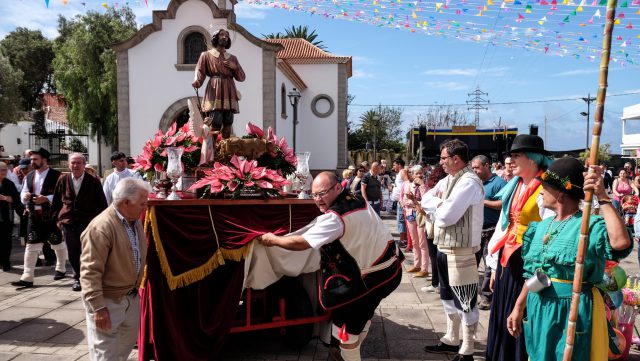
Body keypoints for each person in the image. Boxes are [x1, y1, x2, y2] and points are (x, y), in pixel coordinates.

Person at [257, 172, 402, 361]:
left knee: (349, 332)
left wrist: (272, 239)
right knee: (353, 317)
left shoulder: (335, 218)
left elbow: (302, 243)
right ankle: (341, 350)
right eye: (314, 194)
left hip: (371, 279)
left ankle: (348, 353)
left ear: (338, 188)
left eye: (322, 193)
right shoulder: (355, 197)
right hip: (390, 268)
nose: (317, 200)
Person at [507, 158, 632, 360]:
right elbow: (536, 276)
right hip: (540, 309)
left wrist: (603, 196)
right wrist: (519, 306)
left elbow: (620, 243)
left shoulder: (589, 226)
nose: (539, 191)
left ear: (561, 194)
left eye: (544, 187)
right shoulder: (541, 227)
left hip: (575, 310)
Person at [485, 134, 554, 361]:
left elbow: (552, 231)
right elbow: (504, 225)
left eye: (516, 155)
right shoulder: (514, 185)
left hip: (529, 263)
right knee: (502, 316)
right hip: (508, 259)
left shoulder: (548, 187)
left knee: (520, 319)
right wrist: (494, 266)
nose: (511, 160)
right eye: (510, 155)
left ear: (533, 159)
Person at [421, 139, 484, 361]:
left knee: (465, 300)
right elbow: (425, 197)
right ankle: (451, 338)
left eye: (444, 158)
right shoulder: (449, 179)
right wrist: (440, 205)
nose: (441, 162)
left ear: (456, 159)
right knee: (446, 295)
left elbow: (448, 216)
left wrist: (438, 206)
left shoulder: (469, 182)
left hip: (462, 250)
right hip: (444, 247)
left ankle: (467, 349)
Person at [80, 177, 150, 361]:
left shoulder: (133, 221)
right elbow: (89, 272)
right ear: (126, 202)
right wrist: (98, 307)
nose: (145, 208)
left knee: (121, 352)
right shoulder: (101, 227)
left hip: (130, 297)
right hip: (107, 301)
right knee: (105, 355)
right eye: (142, 203)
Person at [12, 148, 67, 289]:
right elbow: (23, 193)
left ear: (44, 160)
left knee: (57, 243)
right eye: (31, 160)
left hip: (51, 217)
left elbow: (63, 196)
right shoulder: (29, 176)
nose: (32, 162)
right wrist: (24, 197)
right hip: (33, 216)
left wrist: (46, 199)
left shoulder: (58, 176)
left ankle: (61, 268)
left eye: (35, 159)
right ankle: (27, 276)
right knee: (31, 245)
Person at [52, 153, 108, 292]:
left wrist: (101, 222)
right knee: (73, 252)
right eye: (73, 163)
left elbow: (101, 203)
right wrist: (57, 219)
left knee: (87, 252)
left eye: (78, 163)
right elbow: (56, 201)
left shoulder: (93, 181)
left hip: (87, 222)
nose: (75, 165)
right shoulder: (63, 179)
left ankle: (89, 277)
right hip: (68, 222)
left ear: (84, 165)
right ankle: (77, 278)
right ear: (68, 164)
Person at [192, 29, 246, 140]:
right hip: (214, 89)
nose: (224, 37)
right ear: (216, 37)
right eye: (222, 35)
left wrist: (235, 67)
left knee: (228, 121)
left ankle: (225, 151)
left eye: (226, 36)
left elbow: (241, 77)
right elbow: (200, 72)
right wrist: (197, 81)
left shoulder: (232, 58)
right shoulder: (206, 55)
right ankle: (213, 151)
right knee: (215, 121)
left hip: (229, 89)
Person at [470, 155, 507, 311]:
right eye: (472, 168)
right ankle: (470, 294)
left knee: (488, 265)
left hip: (491, 229)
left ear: (487, 166)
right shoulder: (474, 183)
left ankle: (487, 297)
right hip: (476, 229)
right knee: (472, 263)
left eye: (477, 167)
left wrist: (481, 201)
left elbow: (503, 204)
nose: (474, 170)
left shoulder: (499, 183)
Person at [420, 164, 447, 293]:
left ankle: (439, 284)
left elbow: (429, 208)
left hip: (438, 225)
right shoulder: (438, 187)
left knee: (438, 256)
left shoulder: (447, 185)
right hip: (431, 224)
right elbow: (425, 205)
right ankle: (436, 282)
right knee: (434, 255)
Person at [402, 165, 429, 277]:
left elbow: (426, 199)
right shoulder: (410, 186)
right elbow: (405, 200)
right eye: (416, 173)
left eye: (420, 173)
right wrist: (409, 203)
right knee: (414, 242)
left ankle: (424, 268)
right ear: (412, 175)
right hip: (410, 214)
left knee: (423, 242)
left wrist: (422, 185)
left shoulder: (425, 186)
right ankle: (417, 264)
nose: (419, 175)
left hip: (420, 214)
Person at [0, 162, 23, 271]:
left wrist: (5, 198)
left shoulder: (9, 184)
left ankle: (5, 262)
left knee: (6, 240)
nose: (4, 172)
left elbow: (16, 200)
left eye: (5, 170)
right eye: (2, 170)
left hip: (6, 217)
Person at [390, 158, 409, 248]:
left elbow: (407, 184)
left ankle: (403, 240)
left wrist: (403, 199)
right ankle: (404, 240)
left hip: (402, 202)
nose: (393, 167)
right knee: (400, 221)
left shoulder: (402, 172)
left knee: (401, 221)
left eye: (394, 165)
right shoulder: (399, 173)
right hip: (399, 201)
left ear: (399, 165)